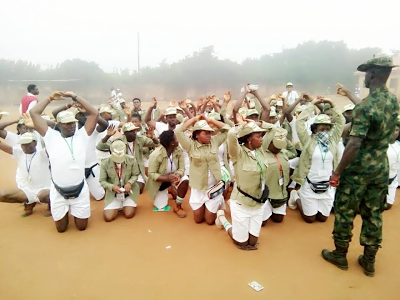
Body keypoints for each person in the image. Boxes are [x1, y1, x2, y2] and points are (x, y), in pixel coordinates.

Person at [322, 56, 399, 277]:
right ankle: (369, 260)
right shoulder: (393, 102)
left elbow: (354, 143)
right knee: (374, 213)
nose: (365, 77)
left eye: (367, 73)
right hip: (380, 168)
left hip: (358, 170)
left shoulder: (366, 107)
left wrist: (337, 172)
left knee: (345, 211)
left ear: (372, 75)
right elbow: (388, 126)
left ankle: (340, 255)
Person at [30, 91, 98, 233]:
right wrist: (49, 98)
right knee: (61, 229)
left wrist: (75, 96)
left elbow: (94, 114)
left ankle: (74, 209)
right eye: (66, 124)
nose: (71, 126)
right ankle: (65, 210)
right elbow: (34, 113)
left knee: (81, 227)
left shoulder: (82, 135)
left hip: (80, 189)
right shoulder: (50, 136)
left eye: (72, 123)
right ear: (59, 125)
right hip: (58, 190)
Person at [288, 97, 345, 223]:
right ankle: (296, 196)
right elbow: (299, 122)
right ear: (314, 129)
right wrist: (312, 104)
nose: (325, 131)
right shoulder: (308, 141)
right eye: (321, 129)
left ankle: (313, 203)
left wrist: (332, 103)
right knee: (310, 219)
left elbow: (341, 121)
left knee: (323, 218)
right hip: (309, 183)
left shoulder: (333, 140)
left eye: (327, 129)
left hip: (327, 186)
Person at [215, 122, 268, 250]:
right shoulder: (238, 153)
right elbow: (231, 135)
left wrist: (259, 124)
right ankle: (222, 219)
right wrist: (242, 125)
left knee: (253, 242)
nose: (262, 139)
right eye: (258, 136)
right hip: (241, 203)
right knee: (241, 243)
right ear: (249, 138)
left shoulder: (260, 151)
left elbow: (274, 130)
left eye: (262, 136)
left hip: (258, 203)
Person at [175, 115, 230, 224]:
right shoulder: (190, 145)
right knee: (198, 220)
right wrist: (194, 119)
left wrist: (211, 120)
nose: (209, 135)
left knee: (210, 221)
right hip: (198, 188)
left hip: (213, 187)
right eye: (205, 133)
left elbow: (228, 128)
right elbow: (178, 131)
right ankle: (209, 206)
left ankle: (217, 203)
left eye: (210, 132)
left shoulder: (214, 141)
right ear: (196, 135)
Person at [0, 132, 51, 217]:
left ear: (35, 143)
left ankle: (52, 205)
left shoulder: (42, 154)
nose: (25, 146)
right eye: (23, 144)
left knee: (41, 195)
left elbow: (55, 144)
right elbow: (2, 145)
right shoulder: (19, 153)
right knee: (2, 195)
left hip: (45, 189)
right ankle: (30, 202)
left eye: (28, 143)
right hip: (28, 191)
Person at [97, 122, 156, 193]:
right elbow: (100, 146)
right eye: (131, 131)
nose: (134, 133)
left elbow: (156, 143)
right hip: (123, 169)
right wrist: (107, 136)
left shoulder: (140, 139)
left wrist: (152, 137)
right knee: (117, 189)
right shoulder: (119, 140)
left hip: (137, 169)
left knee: (138, 189)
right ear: (125, 133)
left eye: (135, 130)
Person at [146, 130, 189, 217]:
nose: (178, 141)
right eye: (176, 139)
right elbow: (151, 174)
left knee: (185, 180)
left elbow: (182, 168)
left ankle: (178, 206)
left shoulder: (178, 151)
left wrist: (178, 175)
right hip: (160, 182)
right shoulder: (155, 155)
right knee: (160, 206)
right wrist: (167, 178)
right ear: (171, 143)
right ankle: (170, 189)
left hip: (173, 177)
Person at [262, 127, 297, 225]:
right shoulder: (262, 153)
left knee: (278, 220)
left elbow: (294, 152)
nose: (279, 148)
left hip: (280, 193)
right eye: (277, 145)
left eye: (281, 145)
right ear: (269, 142)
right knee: (263, 223)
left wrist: (283, 139)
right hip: (265, 194)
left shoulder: (284, 153)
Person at [99, 140, 140, 222]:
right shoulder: (105, 163)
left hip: (129, 193)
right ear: (110, 152)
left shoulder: (132, 160)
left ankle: (125, 204)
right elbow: (102, 181)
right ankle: (119, 204)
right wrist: (112, 187)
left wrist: (129, 183)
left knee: (128, 214)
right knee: (108, 218)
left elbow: (135, 175)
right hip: (113, 194)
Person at [386, 120, 400, 210]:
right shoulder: (380, 145)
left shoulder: (399, 146)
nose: (393, 133)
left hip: (392, 181)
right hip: (377, 181)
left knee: (387, 205)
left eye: (396, 130)